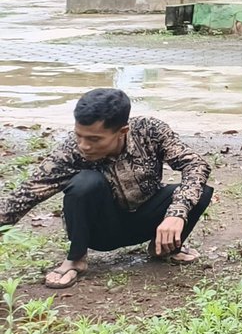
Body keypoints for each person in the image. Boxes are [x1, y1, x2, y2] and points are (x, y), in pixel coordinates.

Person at [0, 88, 213, 289]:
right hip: (101, 231)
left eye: (94, 139)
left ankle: (163, 248)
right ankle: (76, 260)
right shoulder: (71, 152)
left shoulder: (150, 130)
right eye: (79, 135)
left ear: (123, 131)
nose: (84, 145)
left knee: (200, 191)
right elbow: (26, 193)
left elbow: (195, 164)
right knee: (86, 182)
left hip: (147, 218)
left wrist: (177, 213)